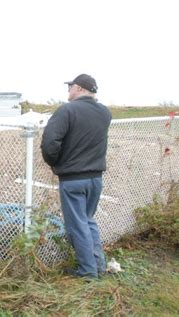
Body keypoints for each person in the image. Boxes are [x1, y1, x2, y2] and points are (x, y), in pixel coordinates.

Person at [40, 74, 112, 279]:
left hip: (73, 179)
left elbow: (50, 142)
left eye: (70, 86)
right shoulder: (104, 113)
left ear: (79, 89)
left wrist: (55, 163)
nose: (68, 90)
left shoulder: (67, 110)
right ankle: (99, 265)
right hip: (95, 178)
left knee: (77, 225)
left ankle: (88, 272)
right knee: (88, 220)